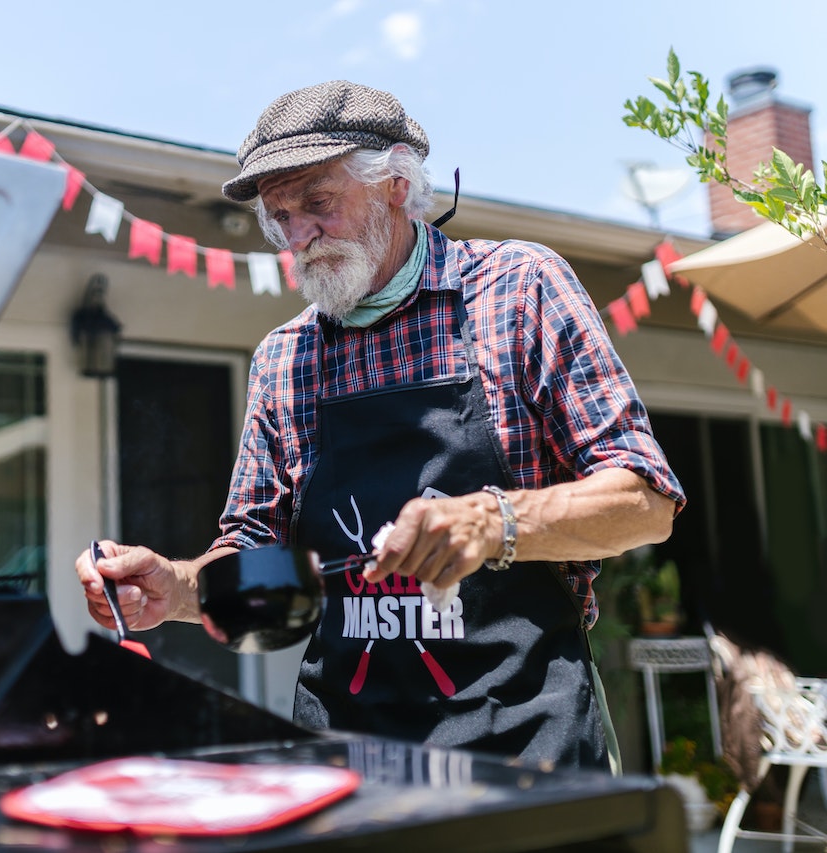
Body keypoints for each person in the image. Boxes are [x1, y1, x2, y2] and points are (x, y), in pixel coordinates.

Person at [75, 80, 685, 771]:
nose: (299, 237)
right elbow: (257, 553)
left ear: (396, 183)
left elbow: (645, 501)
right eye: (281, 218)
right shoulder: (287, 357)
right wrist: (180, 587)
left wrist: (494, 523)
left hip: (525, 750)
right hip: (347, 764)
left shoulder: (518, 290)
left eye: (318, 203)